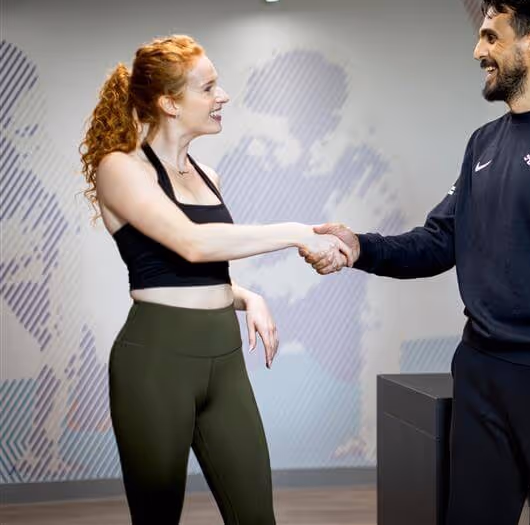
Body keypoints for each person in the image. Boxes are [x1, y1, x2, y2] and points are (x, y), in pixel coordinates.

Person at [302, 0, 530, 525]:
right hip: (481, 372)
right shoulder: (483, 144)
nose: (477, 51)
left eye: (490, 36)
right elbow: (439, 239)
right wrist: (360, 247)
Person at [80, 34, 352, 525]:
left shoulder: (208, 174)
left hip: (224, 362)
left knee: (256, 517)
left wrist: (248, 296)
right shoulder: (119, 168)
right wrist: (296, 233)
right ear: (169, 102)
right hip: (156, 364)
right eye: (208, 88)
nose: (221, 96)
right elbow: (192, 244)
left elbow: (195, 276)